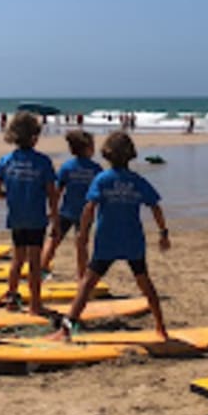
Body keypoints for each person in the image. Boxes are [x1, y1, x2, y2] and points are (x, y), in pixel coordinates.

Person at [51, 132, 169, 340]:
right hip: (132, 241)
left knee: (86, 285)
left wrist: (83, 234)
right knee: (145, 284)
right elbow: (155, 207)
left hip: (107, 241)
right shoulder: (137, 181)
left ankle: (65, 329)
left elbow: (89, 208)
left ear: (107, 154)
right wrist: (163, 233)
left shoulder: (103, 179)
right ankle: (160, 328)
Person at [0, 112, 58, 314]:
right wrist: (54, 215)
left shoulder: (6, 160)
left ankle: (11, 299)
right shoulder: (43, 162)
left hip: (16, 216)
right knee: (35, 262)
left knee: (17, 259)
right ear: (34, 137)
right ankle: (35, 304)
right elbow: (51, 193)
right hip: (36, 217)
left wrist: (10, 196)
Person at [40, 129, 102, 274]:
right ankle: (81, 276)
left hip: (66, 211)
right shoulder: (96, 169)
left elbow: (57, 191)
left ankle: (42, 267)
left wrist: (53, 210)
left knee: (53, 240)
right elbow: (99, 195)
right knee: (81, 245)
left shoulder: (67, 167)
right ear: (87, 148)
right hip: (84, 214)